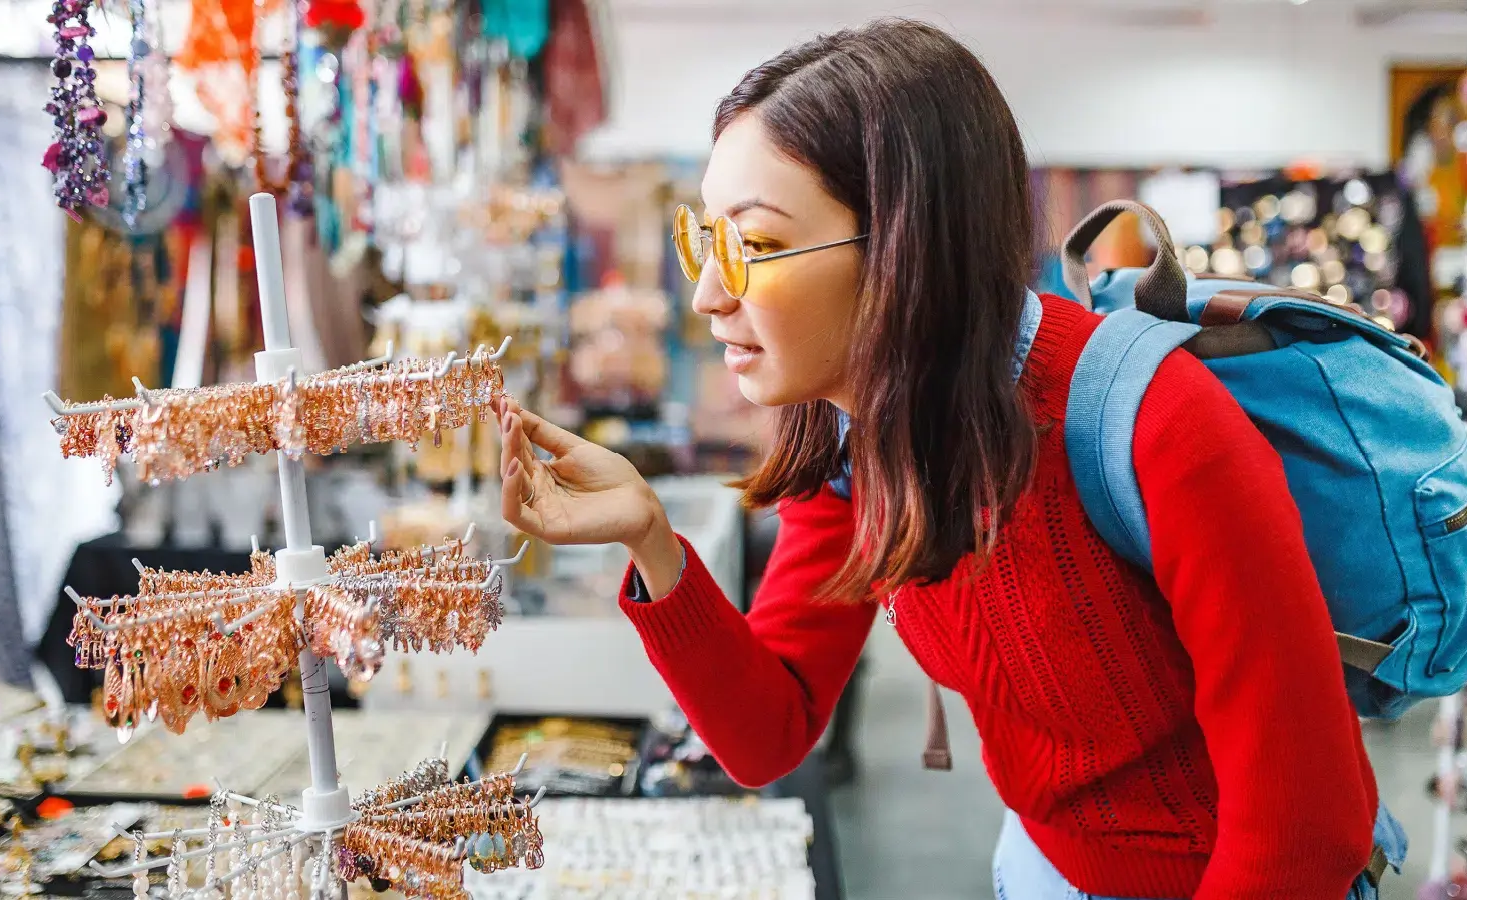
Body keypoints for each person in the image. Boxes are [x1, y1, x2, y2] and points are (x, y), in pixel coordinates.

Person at [493, 18, 1393, 900]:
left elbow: (1302, 831)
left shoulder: (1151, 426)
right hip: (1037, 867)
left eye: (755, 246)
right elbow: (771, 728)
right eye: (709, 239)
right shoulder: (854, 431)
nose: (706, 294)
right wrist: (649, 538)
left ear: (901, 247)